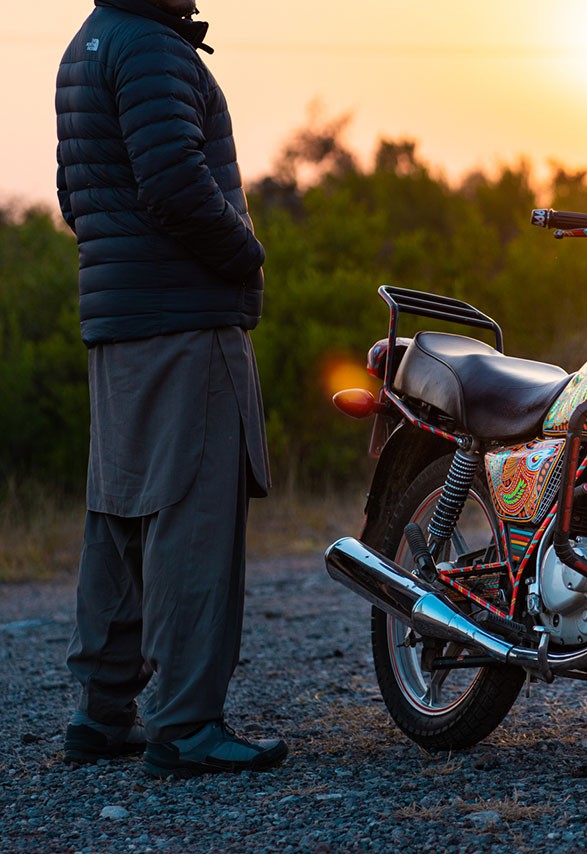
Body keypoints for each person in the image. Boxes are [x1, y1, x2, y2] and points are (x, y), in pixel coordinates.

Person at [55, 0, 287, 777]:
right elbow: (175, 186)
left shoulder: (90, 44)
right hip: (184, 319)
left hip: (122, 319)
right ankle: (186, 725)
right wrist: (247, 253)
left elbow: (74, 196)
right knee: (192, 514)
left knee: (120, 513)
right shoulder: (151, 48)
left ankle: (102, 710)